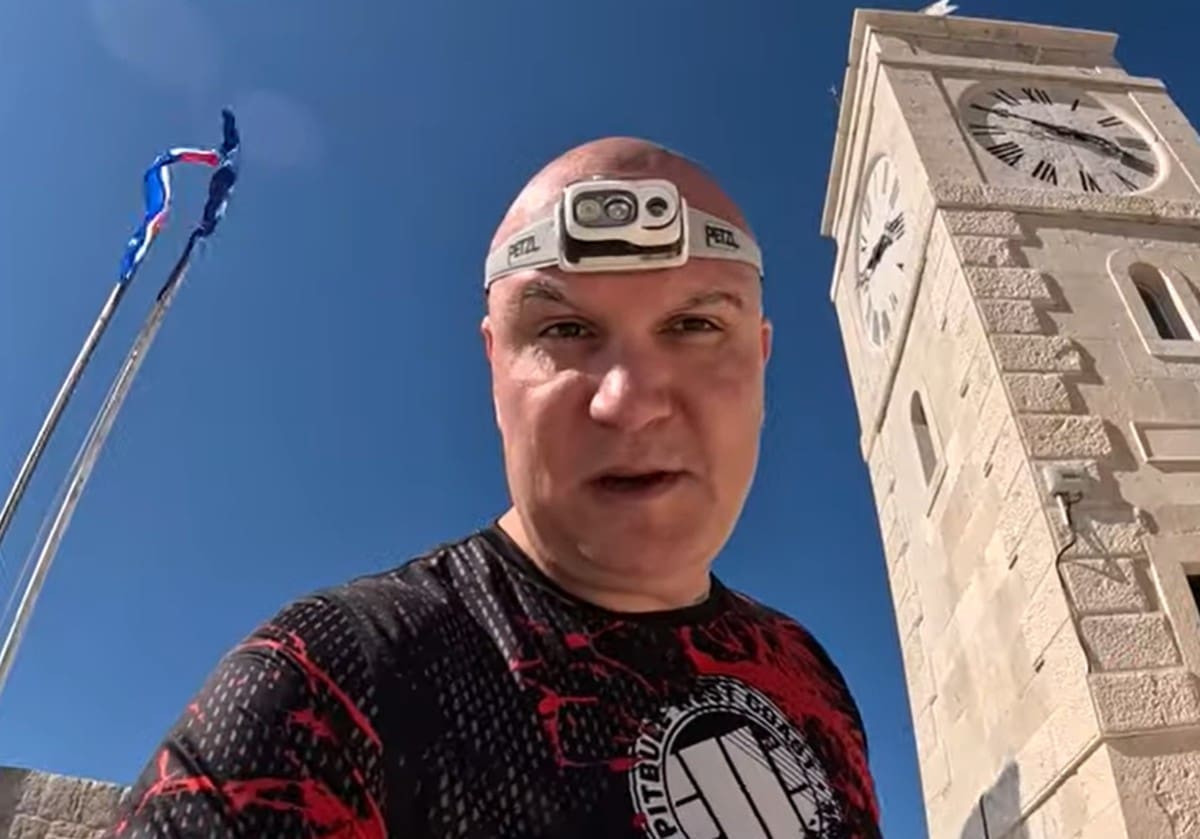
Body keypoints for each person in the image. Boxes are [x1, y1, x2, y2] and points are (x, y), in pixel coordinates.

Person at [102, 138, 882, 838]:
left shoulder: (808, 672)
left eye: (694, 325)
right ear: (495, 368)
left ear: (761, 360)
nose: (630, 400)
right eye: (565, 330)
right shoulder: (328, 685)